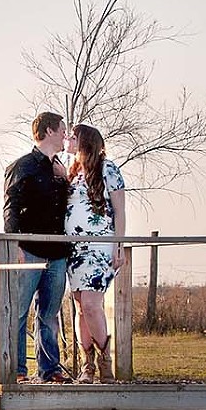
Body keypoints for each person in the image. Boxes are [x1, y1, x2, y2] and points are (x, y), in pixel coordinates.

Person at [2, 111, 72, 382]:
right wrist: (15, 244)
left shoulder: (59, 169)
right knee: (18, 311)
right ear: (49, 131)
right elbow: (11, 207)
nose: (66, 135)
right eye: (62, 130)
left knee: (49, 314)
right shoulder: (22, 167)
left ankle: (49, 369)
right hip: (29, 249)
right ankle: (18, 370)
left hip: (57, 252)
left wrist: (64, 180)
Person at [62, 123, 127, 382]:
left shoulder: (107, 168)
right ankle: (87, 365)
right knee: (80, 306)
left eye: (72, 136)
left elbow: (120, 210)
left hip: (99, 246)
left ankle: (105, 360)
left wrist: (119, 245)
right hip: (74, 248)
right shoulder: (72, 171)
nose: (67, 139)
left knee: (91, 304)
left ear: (84, 141)